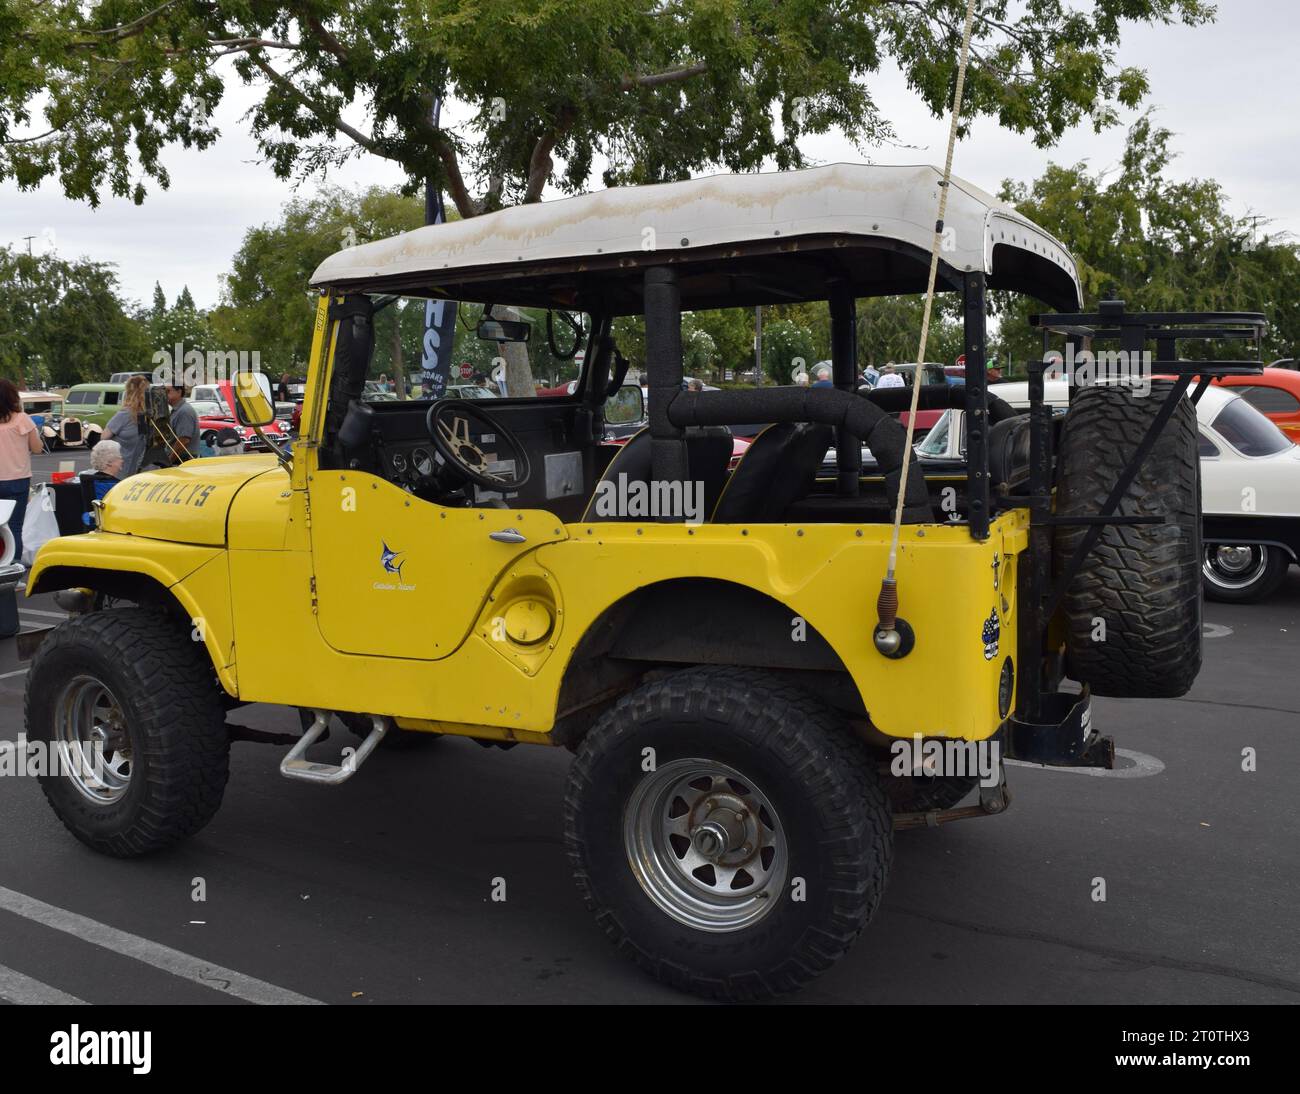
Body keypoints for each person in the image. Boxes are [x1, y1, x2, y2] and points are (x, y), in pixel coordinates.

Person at [0, 378, 44, 564]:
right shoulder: (22, 419)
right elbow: (37, 448)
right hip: (18, 479)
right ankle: (13, 570)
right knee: (15, 526)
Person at [102, 375, 150, 475]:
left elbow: (103, 438)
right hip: (139, 471)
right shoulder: (147, 416)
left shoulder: (124, 414)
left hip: (120, 471)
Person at [81, 439, 124, 525]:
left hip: (92, 522)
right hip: (110, 524)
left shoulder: (90, 479)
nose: (122, 460)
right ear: (109, 463)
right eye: (119, 458)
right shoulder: (114, 485)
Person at [165, 383, 199, 462]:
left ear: (179, 392)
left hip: (182, 460)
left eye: (168, 391)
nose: (165, 394)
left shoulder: (184, 411)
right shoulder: (177, 410)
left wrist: (169, 461)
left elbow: (184, 440)